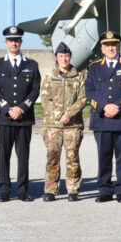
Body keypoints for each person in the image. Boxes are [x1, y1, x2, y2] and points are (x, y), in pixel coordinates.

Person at [86, 31, 121, 203]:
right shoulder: (94, 67)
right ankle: (105, 190)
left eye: (114, 45)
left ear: (119, 47)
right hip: (102, 119)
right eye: (107, 45)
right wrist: (104, 107)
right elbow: (90, 91)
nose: (111, 48)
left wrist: (118, 106)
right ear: (102, 48)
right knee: (104, 156)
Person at [0, 25, 41, 202]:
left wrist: (22, 108)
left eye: (17, 40)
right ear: (5, 42)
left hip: (24, 118)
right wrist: (7, 109)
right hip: (4, 119)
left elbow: (35, 90)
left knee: (23, 157)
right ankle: (4, 190)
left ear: (21, 41)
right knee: (3, 156)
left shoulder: (31, 64)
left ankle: (22, 190)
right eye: (11, 40)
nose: (14, 43)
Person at [39, 42, 87, 201]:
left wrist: (69, 114)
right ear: (56, 58)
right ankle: (51, 189)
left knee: (72, 158)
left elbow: (82, 98)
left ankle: (73, 188)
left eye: (66, 56)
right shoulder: (50, 77)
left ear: (70, 57)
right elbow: (45, 99)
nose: (64, 59)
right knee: (52, 157)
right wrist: (60, 115)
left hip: (73, 125)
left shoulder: (78, 77)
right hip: (53, 125)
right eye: (61, 56)